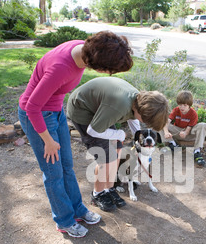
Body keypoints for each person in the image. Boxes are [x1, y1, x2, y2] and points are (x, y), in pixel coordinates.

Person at [18, 31, 134, 237]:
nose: (108, 73)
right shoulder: (61, 68)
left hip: (55, 112)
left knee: (67, 167)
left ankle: (77, 209)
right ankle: (63, 220)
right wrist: (48, 140)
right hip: (38, 116)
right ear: (98, 63)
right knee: (54, 173)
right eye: (108, 69)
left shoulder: (83, 48)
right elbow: (31, 107)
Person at [66, 76, 169, 212]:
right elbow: (93, 130)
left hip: (101, 110)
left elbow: (133, 119)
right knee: (106, 158)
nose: (145, 123)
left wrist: (137, 137)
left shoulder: (138, 102)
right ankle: (97, 194)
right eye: (146, 120)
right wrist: (118, 134)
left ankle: (109, 188)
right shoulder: (119, 106)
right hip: (82, 111)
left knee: (118, 151)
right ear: (141, 111)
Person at [162, 90, 206, 166]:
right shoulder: (176, 110)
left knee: (203, 125)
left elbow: (189, 128)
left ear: (189, 105)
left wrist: (185, 133)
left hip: (189, 133)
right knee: (162, 123)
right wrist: (166, 132)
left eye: (184, 105)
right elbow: (167, 121)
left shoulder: (193, 114)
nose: (182, 107)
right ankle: (172, 144)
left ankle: (197, 151)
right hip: (178, 132)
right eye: (180, 105)